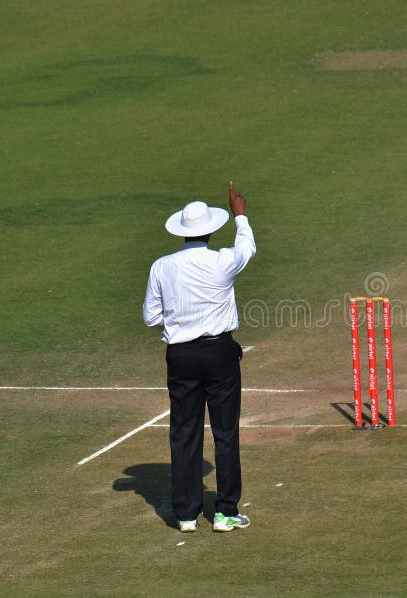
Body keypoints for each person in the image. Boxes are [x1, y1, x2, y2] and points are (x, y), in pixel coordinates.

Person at [143, 181, 256, 532]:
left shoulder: (161, 266)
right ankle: (225, 512)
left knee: (184, 431)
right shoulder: (222, 261)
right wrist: (240, 216)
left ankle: (187, 515)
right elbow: (247, 249)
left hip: (180, 356)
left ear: (182, 232)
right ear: (210, 231)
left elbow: (151, 316)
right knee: (225, 432)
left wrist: (179, 318)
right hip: (219, 353)